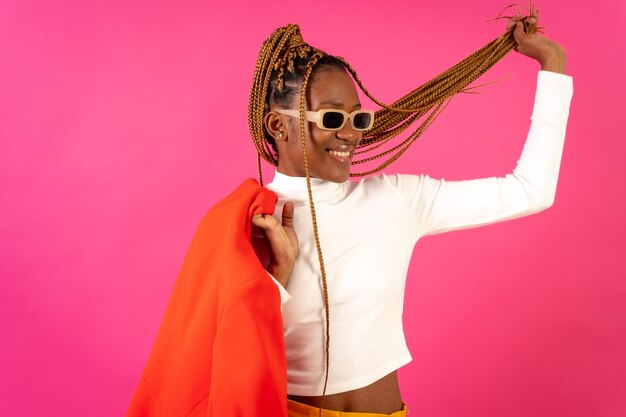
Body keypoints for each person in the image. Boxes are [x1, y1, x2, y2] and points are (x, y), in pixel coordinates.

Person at [248, 11, 572, 417]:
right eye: (332, 118)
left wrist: (553, 66)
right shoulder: (251, 220)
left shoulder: (396, 200)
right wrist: (278, 274)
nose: (350, 134)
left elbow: (531, 190)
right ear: (278, 125)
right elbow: (232, 347)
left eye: (357, 118)